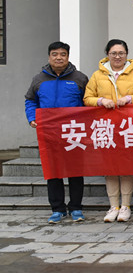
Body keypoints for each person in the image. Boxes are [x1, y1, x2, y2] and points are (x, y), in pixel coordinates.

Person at [83, 39, 133, 223]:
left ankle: (126, 206)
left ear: (127, 55)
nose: (118, 57)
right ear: (107, 54)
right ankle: (113, 206)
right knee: (110, 168)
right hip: (106, 127)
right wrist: (100, 101)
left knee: (126, 167)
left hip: (128, 127)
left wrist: (129, 98)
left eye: (121, 53)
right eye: (114, 53)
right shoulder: (97, 75)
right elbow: (87, 97)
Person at [24, 42, 89, 224]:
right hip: (49, 133)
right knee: (53, 171)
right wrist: (32, 118)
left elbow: (88, 101)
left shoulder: (80, 78)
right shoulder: (39, 79)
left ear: (68, 56)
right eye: (55, 54)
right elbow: (30, 100)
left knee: (75, 171)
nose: (59, 58)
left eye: (62, 54)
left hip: (73, 133)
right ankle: (57, 209)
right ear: (49, 56)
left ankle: (76, 207)